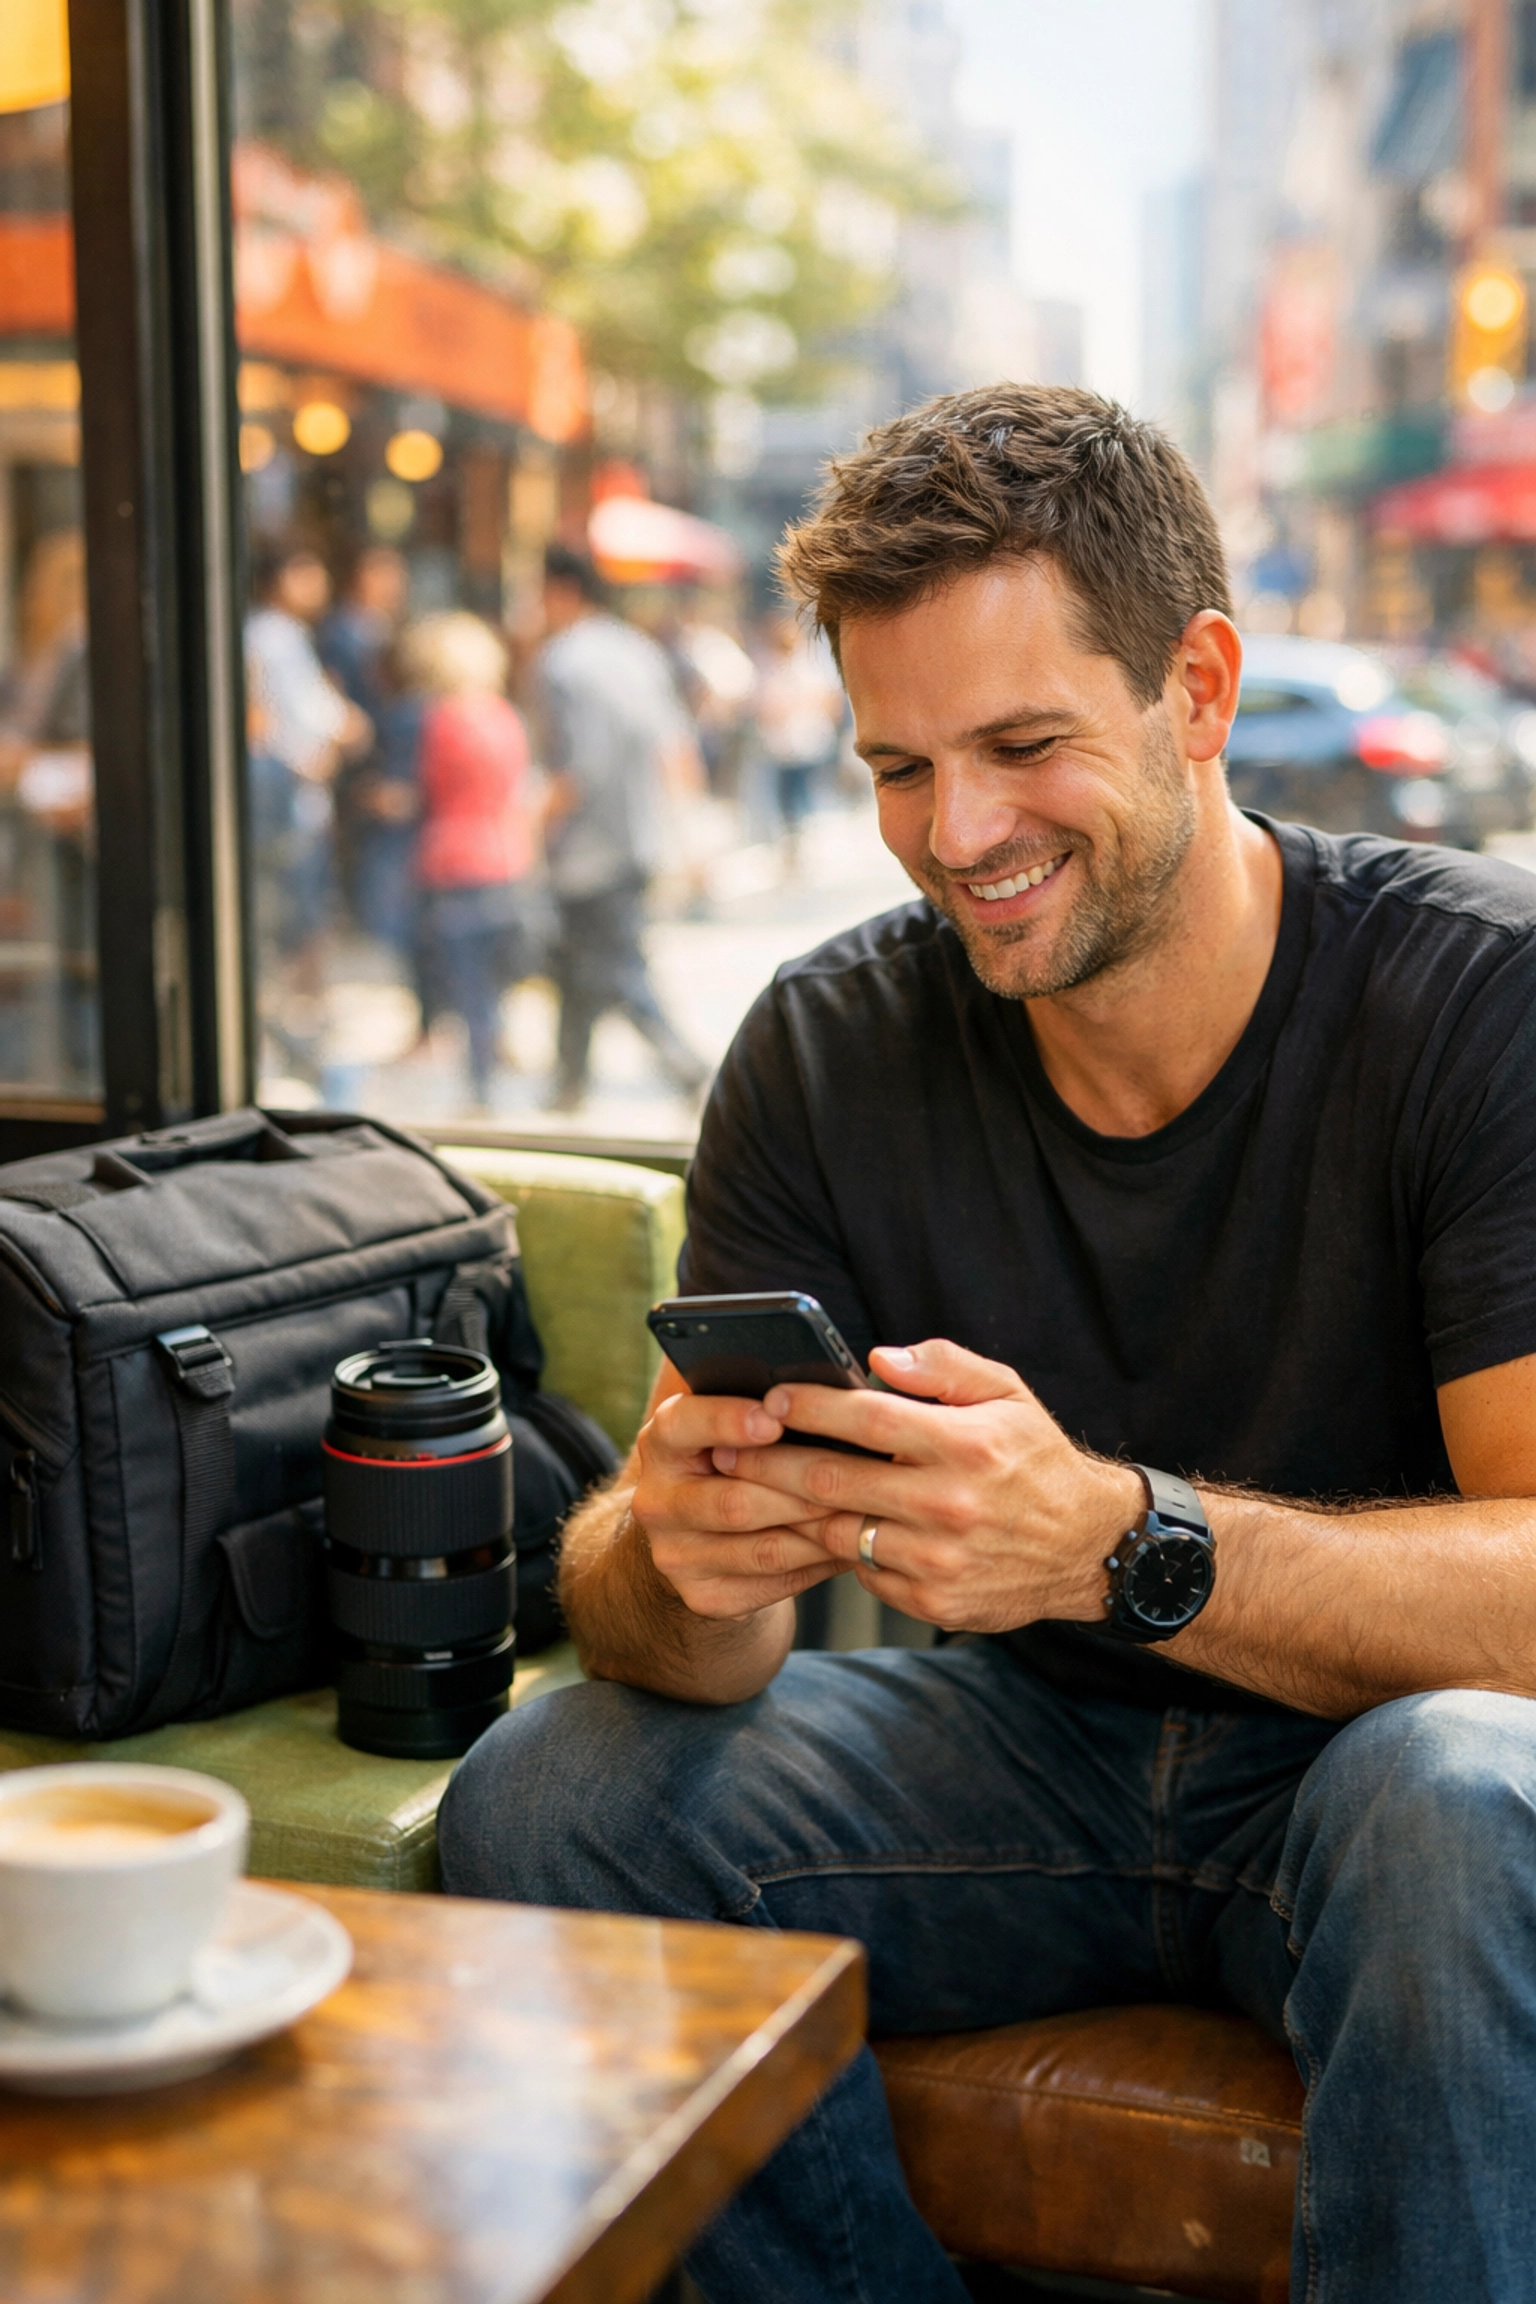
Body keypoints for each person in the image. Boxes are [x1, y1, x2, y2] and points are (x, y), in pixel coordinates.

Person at [439, 384, 1536, 2304]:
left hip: (1372, 1770)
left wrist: (1126, 1537)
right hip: (1020, 1763)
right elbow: (662, 1600)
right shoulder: (825, 1040)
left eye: (1023, 743)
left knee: (1461, 1792)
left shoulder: (1474, 998)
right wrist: (678, 1564)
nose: (956, 836)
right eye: (895, 764)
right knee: (546, 1789)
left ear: (1196, 688)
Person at [534, 542, 709, 1112]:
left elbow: (575, 769)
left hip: (587, 848)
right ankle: (568, 1083)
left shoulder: (563, 661)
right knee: (580, 966)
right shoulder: (637, 650)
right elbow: (674, 748)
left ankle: (686, 1065)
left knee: (613, 967)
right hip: (641, 835)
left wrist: (529, 824)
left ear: (561, 591)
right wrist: (688, 834)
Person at [244, 547, 370, 1079]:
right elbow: (281, 725)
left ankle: (296, 1037)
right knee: (293, 928)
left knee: (300, 925)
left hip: (294, 807)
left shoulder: (283, 636)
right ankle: (294, 1039)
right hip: (285, 809)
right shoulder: (272, 636)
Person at [404, 611, 536, 1110]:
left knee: (469, 985)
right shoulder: (504, 714)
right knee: (491, 981)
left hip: (456, 859)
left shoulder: (442, 721)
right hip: (506, 855)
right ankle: (490, 1073)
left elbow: (431, 788)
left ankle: (481, 1088)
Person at [751, 611, 845, 869]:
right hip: (784, 745)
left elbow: (829, 698)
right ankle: (796, 844)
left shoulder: (809, 662)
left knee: (802, 795)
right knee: (790, 796)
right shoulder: (772, 665)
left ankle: (805, 844)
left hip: (807, 741)